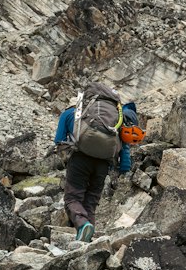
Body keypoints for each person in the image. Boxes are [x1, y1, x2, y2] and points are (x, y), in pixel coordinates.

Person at [54, 90, 140, 242]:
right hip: (103, 163)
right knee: (91, 201)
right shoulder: (114, 118)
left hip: (80, 158)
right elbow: (124, 147)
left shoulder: (71, 114)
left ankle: (82, 225)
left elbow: (58, 140)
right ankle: (87, 240)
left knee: (73, 198)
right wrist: (122, 169)